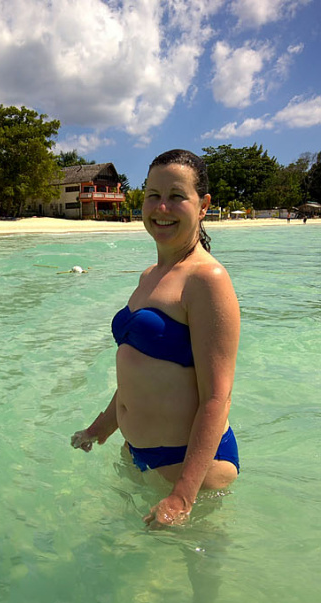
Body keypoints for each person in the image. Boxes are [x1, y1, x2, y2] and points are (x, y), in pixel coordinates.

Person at [70, 149, 241, 529]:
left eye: (177, 196)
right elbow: (140, 374)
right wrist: (100, 428)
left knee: (200, 580)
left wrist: (183, 495)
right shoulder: (150, 274)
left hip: (190, 470)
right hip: (138, 456)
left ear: (203, 206)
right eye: (152, 195)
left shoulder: (207, 280)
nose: (161, 207)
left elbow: (217, 398)